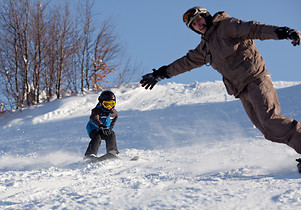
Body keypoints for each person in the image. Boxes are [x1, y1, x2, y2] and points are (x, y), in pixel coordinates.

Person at [140, 6, 301, 156]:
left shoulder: (226, 26)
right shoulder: (205, 47)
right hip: (241, 90)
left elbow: (255, 29)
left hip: (255, 79)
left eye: (199, 19)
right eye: (194, 24)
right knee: (268, 131)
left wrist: (284, 32)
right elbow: (185, 63)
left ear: (206, 17)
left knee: (270, 120)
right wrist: (161, 74)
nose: (198, 24)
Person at [84, 90, 119, 161]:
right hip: (93, 129)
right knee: (97, 136)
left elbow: (113, 121)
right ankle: (90, 154)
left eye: (111, 104)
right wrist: (101, 125)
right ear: (101, 102)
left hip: (104, 129)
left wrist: (109, 128)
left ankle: (112, 152)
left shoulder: (114, 113)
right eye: (106, 104)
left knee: (111, 134)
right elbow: (94, 119)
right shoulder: (96, 110)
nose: (109, 107)